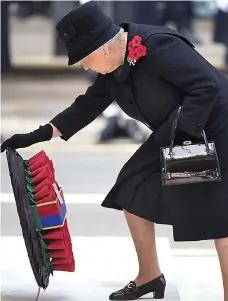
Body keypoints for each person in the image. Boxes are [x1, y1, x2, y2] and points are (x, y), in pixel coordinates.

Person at [1, 1, 228, 300]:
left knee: (218, 218)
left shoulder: (159, 48)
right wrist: (39, 134)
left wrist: (181, 139)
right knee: (131, 188)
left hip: (215, 129)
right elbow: (88, 106)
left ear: (104, 48)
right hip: (173, 133)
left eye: (85, 58)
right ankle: (149, 275)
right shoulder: (113, 67)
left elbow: (208, 88)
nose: (85, 66)